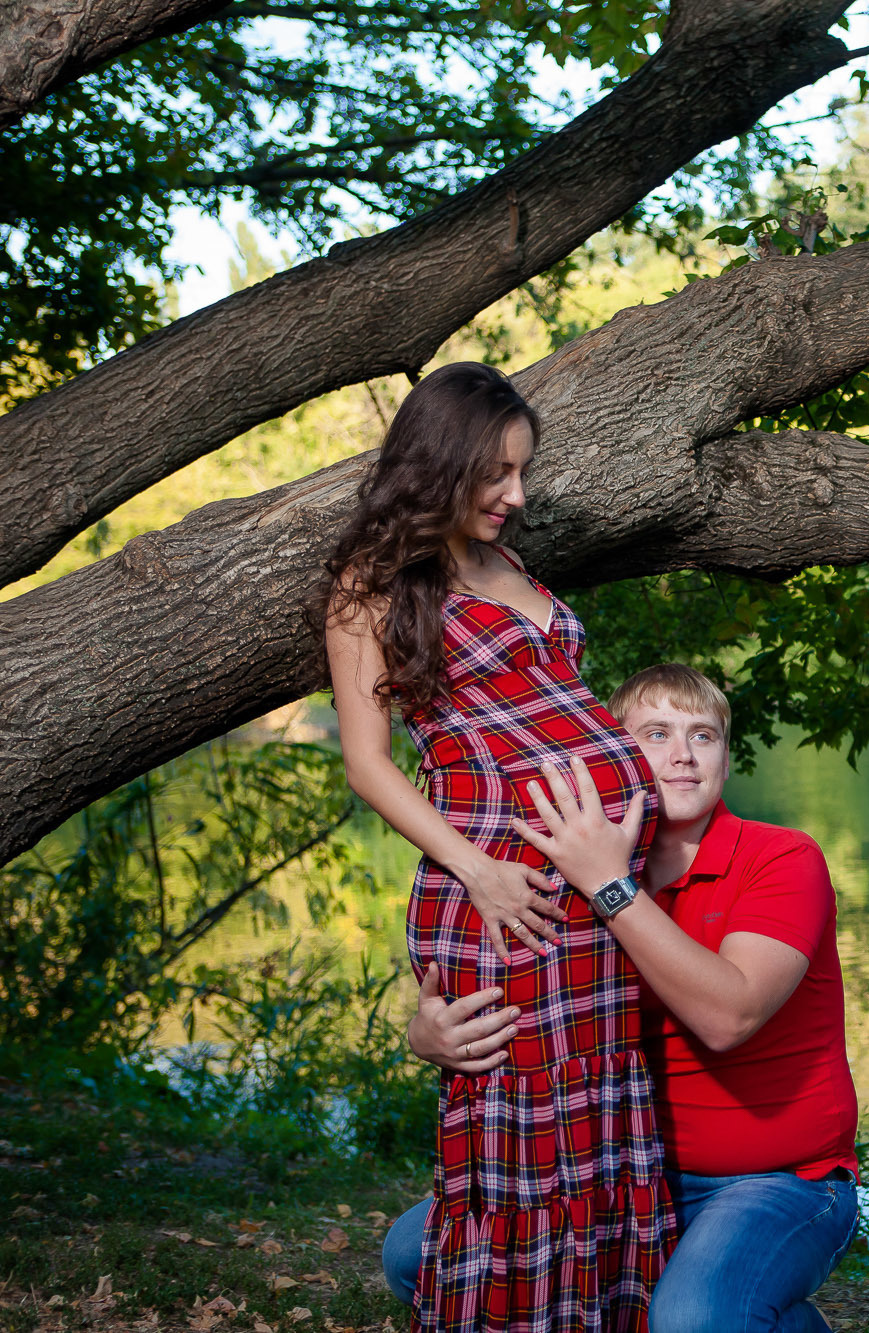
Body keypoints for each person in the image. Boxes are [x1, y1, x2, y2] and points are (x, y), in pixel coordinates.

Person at [316, 363, 668, 1333]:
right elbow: (367, 764)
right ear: (441, 464)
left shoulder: (508, 567)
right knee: (519, 1147)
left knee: (598, 1125)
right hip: (500, 893)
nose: (517, 495)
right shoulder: (373, 583)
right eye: (498, 474)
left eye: (522, 472)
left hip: (592, 897)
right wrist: (475, 867)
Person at [385, 664, 861, 1333]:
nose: (683, 754)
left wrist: (610, 885)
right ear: (611, 753)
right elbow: (523, 1013)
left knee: (694, 1319)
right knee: (412, 1254)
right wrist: (427, 1036)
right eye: (656, 733)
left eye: (705, 735)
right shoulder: (573, 874)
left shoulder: (781, 858)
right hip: (619, 1160)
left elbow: (729, 1015)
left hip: (780, 1181)